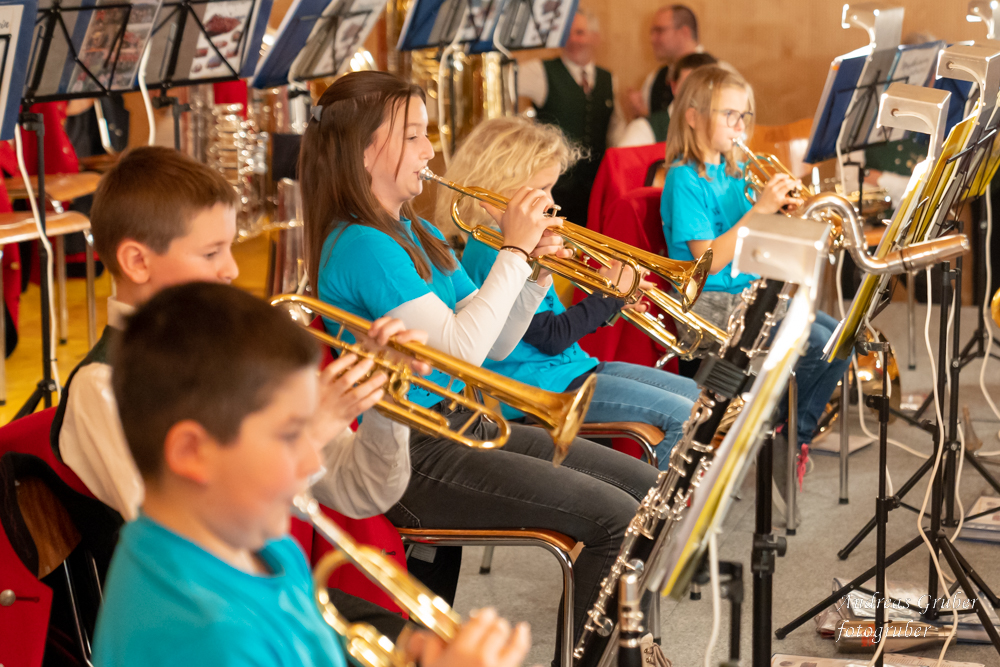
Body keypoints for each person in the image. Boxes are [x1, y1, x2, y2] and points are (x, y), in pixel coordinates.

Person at [300, 71, 659, 656]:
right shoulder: (364, 244)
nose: (430, 151)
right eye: (413, 136)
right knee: (616, 521)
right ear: (365, 151)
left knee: (646, 490)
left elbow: (495, 343)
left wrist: (534, 271)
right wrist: (513, 250)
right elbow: (459, 350)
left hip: (463, 422)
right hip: (413, 450)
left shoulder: (414, 228)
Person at [50, 145, 424, 639]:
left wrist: (384, 398)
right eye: (211, 253)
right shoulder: (102, 388)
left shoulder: (236, 358)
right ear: (137, 261)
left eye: (229, 247)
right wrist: (310, 430)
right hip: (202, 630)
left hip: (272, 600)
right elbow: (189, 548)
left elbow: (362, 490)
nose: (230, 269)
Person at [92, 282, 532, 667]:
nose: (311, 461)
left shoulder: (262, 545)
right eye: (291, 434)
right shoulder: (207, 636)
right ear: (192, 452)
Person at [438, 116, 702, 469]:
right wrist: (609, 297)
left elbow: (550, 325)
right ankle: (660, 504)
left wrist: (613, 300)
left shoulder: (522, 241)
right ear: (504, 185)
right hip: (543, 386)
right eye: (542, 189)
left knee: (699, 401)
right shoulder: (493, 248)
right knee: (683, 417)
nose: (553, 201)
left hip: (574, 369)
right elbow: (550, 337)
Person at [659, 65, 852, 513]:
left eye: (745, 115)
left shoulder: (739, 169)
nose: (740, 126)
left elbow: (761, 245)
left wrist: (785, 217)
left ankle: (787, 435)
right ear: (693, 117)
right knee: (815, 344)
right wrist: (760, 211)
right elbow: (707, 263)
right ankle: (780, 435)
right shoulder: (683, 179)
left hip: (753, 297)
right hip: (709, 307)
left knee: (840, 340)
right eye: (728, 114)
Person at [518, 10, 625, 227]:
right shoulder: (540, 71)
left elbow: (616, 129)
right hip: (554, 187)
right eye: (566, 33)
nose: (573, 40)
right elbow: (503, 83)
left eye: (579, 33)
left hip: (595, 188)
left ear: (595, 37)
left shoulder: (609, 79)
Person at [618, 52, 718, 148]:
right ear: (674, 87)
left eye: (709, 86)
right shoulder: (644, 129)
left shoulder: (723, 129)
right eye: (689, 86)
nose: (699, 93)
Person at [630, 4, 702, 119]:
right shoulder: (654, 78)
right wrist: (642, 116)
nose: (652, 39)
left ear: (684, 32)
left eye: (660, 31)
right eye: (652, 32)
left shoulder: (719, 74)